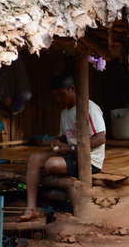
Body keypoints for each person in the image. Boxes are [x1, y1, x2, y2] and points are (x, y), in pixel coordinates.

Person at [20, 73, 106, 221]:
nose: (59, 99)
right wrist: (57, 142)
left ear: (72, 89)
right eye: (55, 96)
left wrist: (72, 148)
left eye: (61, 95)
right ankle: (31, 207)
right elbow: (63, 137)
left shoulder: (89, 108)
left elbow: (100, 138)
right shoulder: (65, 112)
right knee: (35, 158)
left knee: (51, 164)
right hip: (71, 155)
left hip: (90, 160)